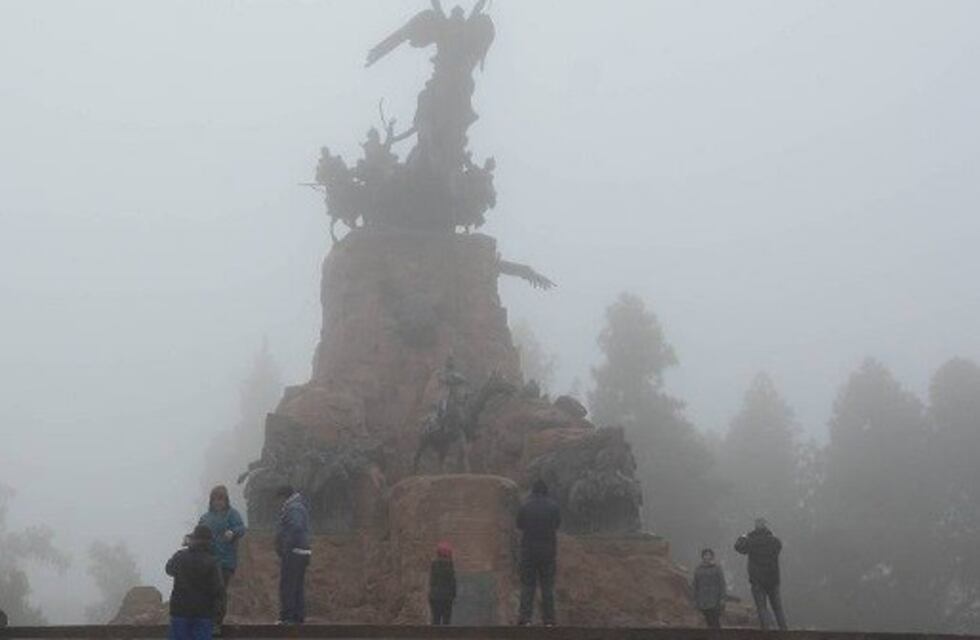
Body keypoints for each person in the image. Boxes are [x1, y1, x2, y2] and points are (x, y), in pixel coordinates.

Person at [198, 485, 246, 630]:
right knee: (207, 591)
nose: (218, 503)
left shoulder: (232, 514)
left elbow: (242, 528)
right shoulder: (205, 517)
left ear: (226, 501)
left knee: (219, 590)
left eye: (221, 499)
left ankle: (216, 622)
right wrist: (190, 538)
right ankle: (207, 620)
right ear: (211, 501)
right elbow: (198, 533)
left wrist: (233, 531)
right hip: (207, 560)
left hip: (225, 560)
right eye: (215, 500)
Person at [165, 526, 225, 640]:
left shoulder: (180, 556)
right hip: (204, 613)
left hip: (180, 611)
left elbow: (169, 570)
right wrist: (218, 614)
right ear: (209, 542)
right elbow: (218, 589)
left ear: (193, 539)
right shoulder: (213, 561)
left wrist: (185, 546)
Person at [516, 478, 561, 626]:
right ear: (546, 491)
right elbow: (557, 525)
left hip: (528, 551)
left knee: (528, 586)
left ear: (533, 491)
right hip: (548, 551)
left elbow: (519, 525)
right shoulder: (554, 507)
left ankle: (525, 619)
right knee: (547, 586)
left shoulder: (525, 506)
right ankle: (549, 620)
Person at [735, 518, 787, 630]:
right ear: (766, 526)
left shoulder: (751, 540)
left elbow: (738, 547)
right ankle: (784, 631)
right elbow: (779, 546)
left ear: (755, 526)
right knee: (778, 608)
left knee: (762, 608)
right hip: (773, 580)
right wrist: (772, 534)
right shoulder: (773, 540)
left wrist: (743, 537)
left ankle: (766, 632)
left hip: (758, 580)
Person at [275, 485, 311, 624]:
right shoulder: (298, 506)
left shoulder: (293, 508)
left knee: (288, 585)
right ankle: (297, 616)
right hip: (301, 551)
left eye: (278, 500)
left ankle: (288, 617)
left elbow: (296, 527)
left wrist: (286, 545)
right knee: (296, 585)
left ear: (284, 496)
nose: (277, 504)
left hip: (294, 552)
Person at [692, 548, 726, 629]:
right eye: (705, 555)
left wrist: (722, 598)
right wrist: (695, 599)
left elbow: (722, 584)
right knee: (708, 621)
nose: (707, 557)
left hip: (715, 600)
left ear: (712, 556)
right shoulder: (698, 570)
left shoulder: (717, 568)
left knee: (715, 621)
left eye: (709, 555)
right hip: (703, 600)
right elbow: (695, 585)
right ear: (702, 557)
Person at [428, 541, 457, 626]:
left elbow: (432, 581)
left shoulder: (434, 564)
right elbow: (452, 582)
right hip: (447, 598)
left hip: (434, 597)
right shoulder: (449, 565)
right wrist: (454, 595)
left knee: (435, 620)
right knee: (446, 621)